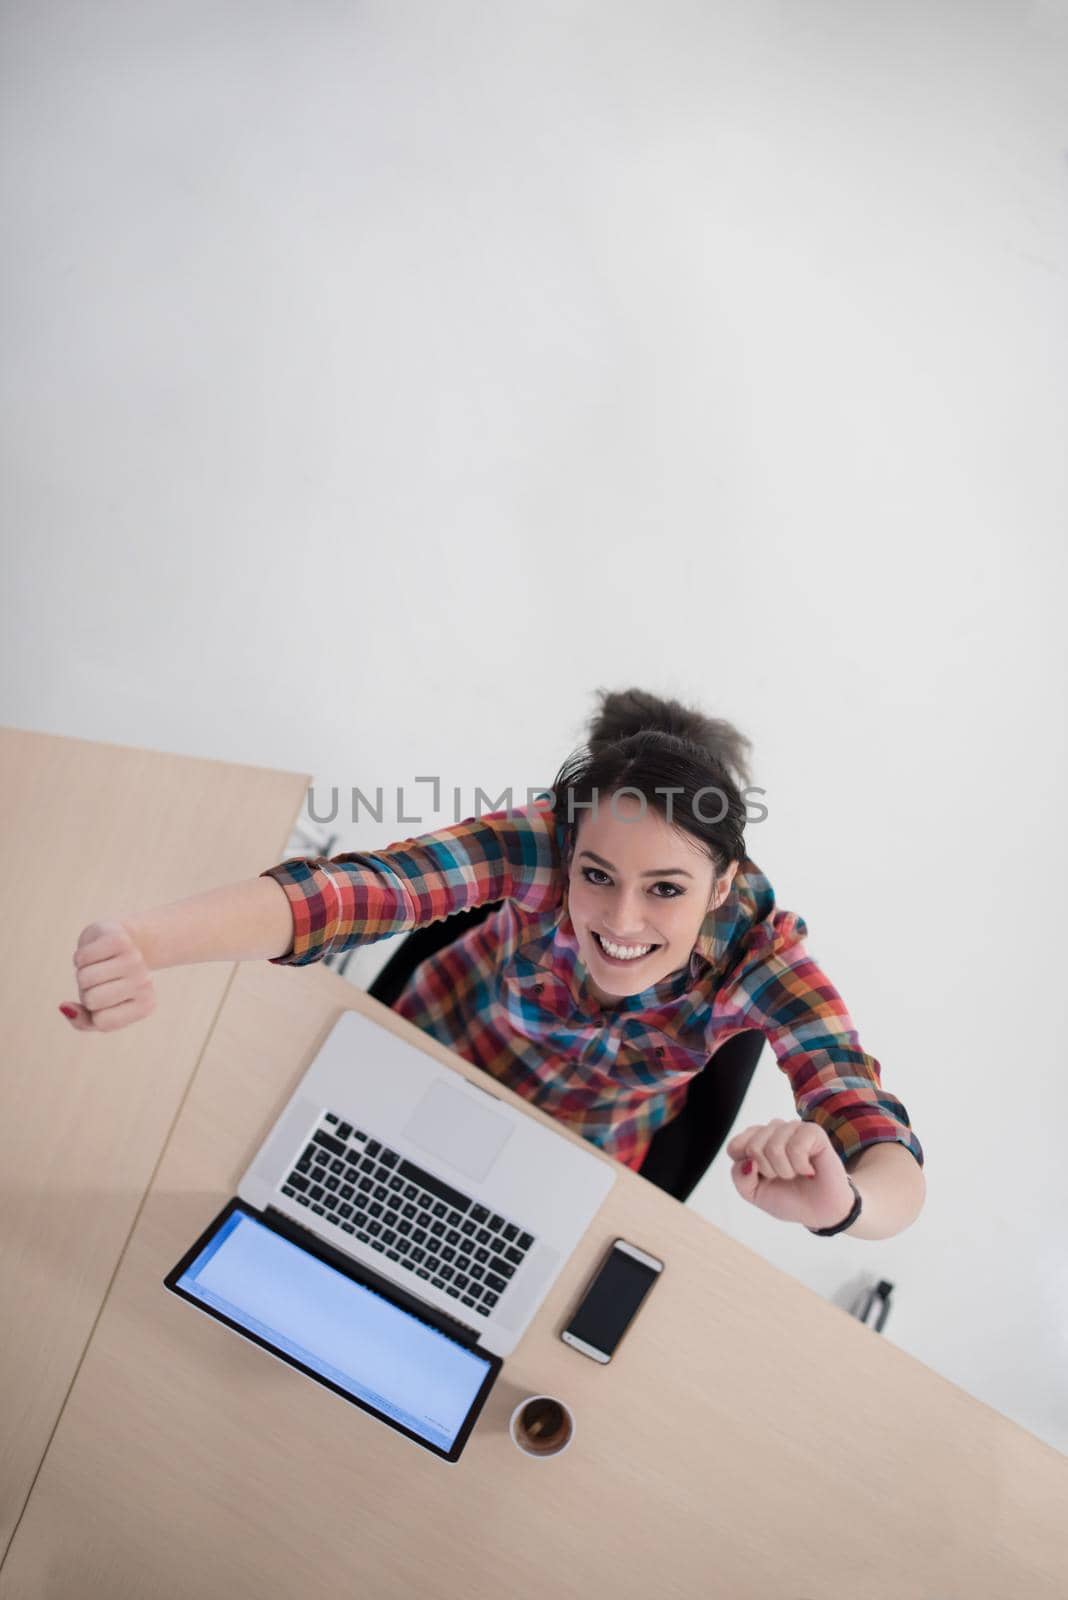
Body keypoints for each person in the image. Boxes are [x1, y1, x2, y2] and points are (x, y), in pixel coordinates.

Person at [59, 687, 926, 1240]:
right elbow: (356, 893)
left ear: (721, 882)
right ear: (568, 841)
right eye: (597, 876)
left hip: (576, 1147)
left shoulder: (761, 954)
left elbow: (875, 1134)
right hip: (432, 1045)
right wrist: (147, 944)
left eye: (666, 888)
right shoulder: (536, 845)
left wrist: (845, 1205)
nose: (620, 922)